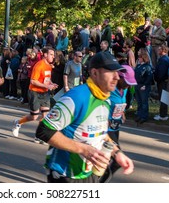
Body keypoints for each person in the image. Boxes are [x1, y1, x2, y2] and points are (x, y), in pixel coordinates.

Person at [35, 51, 134, 183]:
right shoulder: (76, 97)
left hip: (89, 174)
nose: (117, 77)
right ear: (94, 73)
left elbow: (101, 133)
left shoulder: (105, 98)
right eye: (110, 72)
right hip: (65, 175)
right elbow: (43, 131)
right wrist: (83, 149)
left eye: (117, 72)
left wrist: (116, 153)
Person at [11, 47, 58, 142]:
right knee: (34, 116)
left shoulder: (49, 66)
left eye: (53, 55)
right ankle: (18, 123)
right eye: (51, 54)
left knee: (45, 115)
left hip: (45, 93)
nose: (53, 57)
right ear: (45, 55)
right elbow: (33, 81)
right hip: (35, 92)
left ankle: (38, 135)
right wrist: (46, 85)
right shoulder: (39, 65)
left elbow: (47, 79)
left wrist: (51, 84)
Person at [134, 48, 153, 124]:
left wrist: (145, 85)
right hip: (137, 85)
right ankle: (139, 115)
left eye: (140, 57)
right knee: (139, 102)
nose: (139, 58)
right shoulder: (138, 66)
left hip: (143, 86)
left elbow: (149, 77)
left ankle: (144, 116)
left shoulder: (147, 67)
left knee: (144, 102)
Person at [153, 45, 169, 121]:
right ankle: (163, 113)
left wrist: (157, 78)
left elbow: (161, 72)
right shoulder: (165, 58)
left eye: (160, 49)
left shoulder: (163, 60)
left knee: (163, 98)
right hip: (163, 81)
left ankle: (163, 115)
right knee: (163, 98)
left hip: (162, 82)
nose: (158, 50)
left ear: (163, 50)